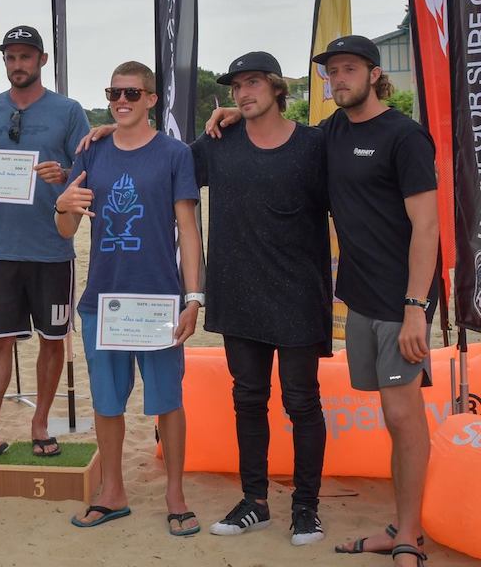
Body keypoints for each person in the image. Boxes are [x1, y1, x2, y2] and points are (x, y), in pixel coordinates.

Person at [207, 36, 438, 566]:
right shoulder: (329, 134)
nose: (339, 79)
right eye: (332, 72)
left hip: (399, 303)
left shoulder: (405, 136)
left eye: (349, 69)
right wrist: (233, 113)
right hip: (358, 297)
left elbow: (427, 227)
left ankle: (408, 533)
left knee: (402, 417)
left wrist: (415, 307)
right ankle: (399, 528)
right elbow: (271, 134)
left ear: (374, 74)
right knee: (389, 415)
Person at [55, 62, 202, 537]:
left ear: (151, 100)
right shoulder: (92, 152)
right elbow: (66, 229)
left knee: (167, 402)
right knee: (107, 403)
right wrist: (62, 206)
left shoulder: (174, 154)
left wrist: (194, 298)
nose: (122, 100)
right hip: (102, 301)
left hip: (158, 301)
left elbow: (188, 230)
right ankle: (112, 492)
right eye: (114, 92)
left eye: (132, 93)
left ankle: (175, 494)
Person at [193, 54, 331, 544]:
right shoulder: (218, 143)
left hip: (297, 296)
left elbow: (359, 195)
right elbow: (162, 166)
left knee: (301, 403)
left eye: (253, 83)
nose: (242, 93)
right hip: (236, 295)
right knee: (247, 400)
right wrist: (111, 135)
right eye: (235, 87)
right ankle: (254, 502)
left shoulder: (314, 145)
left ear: (276, 88)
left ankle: (306, 507)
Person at [0, 26, 89, 481]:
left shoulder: (69, 111)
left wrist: (65, 174)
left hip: (54, 248)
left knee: (53, 341)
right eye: (11, 57)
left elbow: (89, 174)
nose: (18, 64)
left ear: (42, 60)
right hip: (4, 249)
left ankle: (40, 423)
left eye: (26, 57)